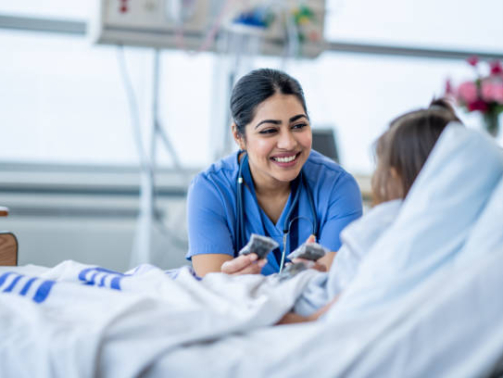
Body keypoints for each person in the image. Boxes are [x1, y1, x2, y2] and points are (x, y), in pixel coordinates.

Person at [278, 98, 463, 324]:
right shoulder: (451, 230)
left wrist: (301, 276)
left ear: (393, 174)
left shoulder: (386, 221)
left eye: (379, 166)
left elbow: (338, 304)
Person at [186, 68, 363, 277]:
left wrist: (320, 278)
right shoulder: (211, 189)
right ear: (239, 136)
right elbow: (213, 290)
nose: (288, 143)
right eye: (269, 130)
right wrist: (226, 282)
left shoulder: (338, 187)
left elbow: (335, 286)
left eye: (298, 125)